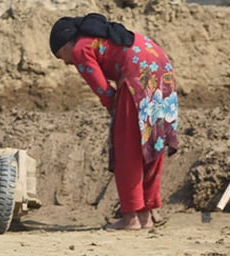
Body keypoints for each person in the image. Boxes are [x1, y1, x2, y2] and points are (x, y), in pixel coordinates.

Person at [49, 13, 179, 230]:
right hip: (163, 73)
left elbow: (103, 91)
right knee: (152, 147)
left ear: (66, 43)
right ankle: (146, 216)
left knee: (127, 152)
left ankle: (130, 219)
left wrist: (115, 111)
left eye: (61, 55)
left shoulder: (81, 49)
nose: (66, 63)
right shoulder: (101, 39)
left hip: (136, 81)